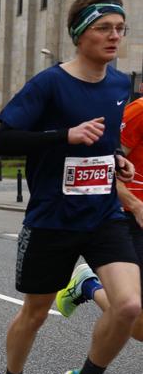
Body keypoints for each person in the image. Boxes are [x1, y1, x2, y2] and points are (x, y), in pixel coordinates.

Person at [0, 0, 139, 374]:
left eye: (119, 29)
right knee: (34, 315)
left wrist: (116, 161)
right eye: (103, 29)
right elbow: (4, 140)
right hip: (53, 217)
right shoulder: (50, 83)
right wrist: (64, 136)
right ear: (80, 35)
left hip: (103, 213)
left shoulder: (118, 83)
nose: (114, 37)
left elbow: (105, 140)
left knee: (129, 305)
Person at [56, 95, 143, 343]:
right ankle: (89, 286)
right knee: (135, 321)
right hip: (129, 220)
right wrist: (136, 206)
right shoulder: (139, 112)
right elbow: (108, 168)